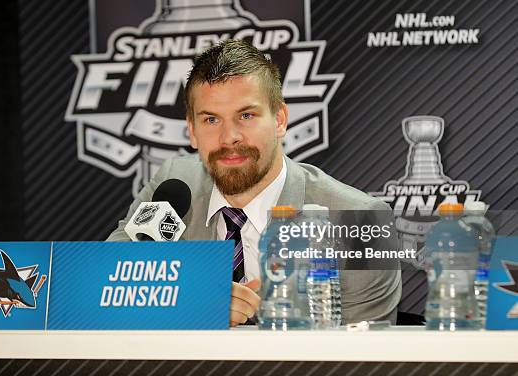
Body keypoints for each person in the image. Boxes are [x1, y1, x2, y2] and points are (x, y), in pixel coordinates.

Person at [107, 39, 401, 327]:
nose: (229, 137)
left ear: (280, 120)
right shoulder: (174, 184)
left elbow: (363, 359)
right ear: (192, 131)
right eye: (211, 120)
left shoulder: (360, 220)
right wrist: (193, 302)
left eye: (246, 115)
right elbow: (104, 282)